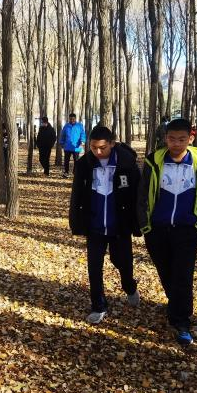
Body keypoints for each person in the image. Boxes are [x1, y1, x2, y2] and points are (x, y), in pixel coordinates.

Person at [136, 118, 197, 346]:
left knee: (183, 274)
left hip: (188, 230)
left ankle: (181, 322)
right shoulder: (154, 161)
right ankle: (177, 304)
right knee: (165, 271)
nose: (176, 143)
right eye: (172, 139)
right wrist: (145, 225)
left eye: (182, 139)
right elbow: (142, 195)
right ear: (165, 138)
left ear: (190, 138)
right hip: (157, 229)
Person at [69, 125, 141, 324]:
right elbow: (77, 195)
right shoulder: (84, 165)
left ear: (112, 144)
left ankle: (129, 286)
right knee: (94, 268)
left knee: (123, 262)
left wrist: (137, 223)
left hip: (120, 226)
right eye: (93, 147)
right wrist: (76, 221)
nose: (98, 152)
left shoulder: (127, 164)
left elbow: (137, 195)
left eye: (102, 148)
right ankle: (98, 306)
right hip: (95, 227)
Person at [60, 113, 86, 178]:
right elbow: (62, 135)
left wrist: (82, 141)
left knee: (76, 160)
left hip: (77, 147)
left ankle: (75, 172)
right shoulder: (66, 126)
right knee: (66, 161)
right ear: (69, 119)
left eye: (73, 119)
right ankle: (66, 172)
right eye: (70, 119)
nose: (72, 120)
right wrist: (62, 143)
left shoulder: (79, 125)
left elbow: (82, 134)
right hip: (67, 147)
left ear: (75, 119)